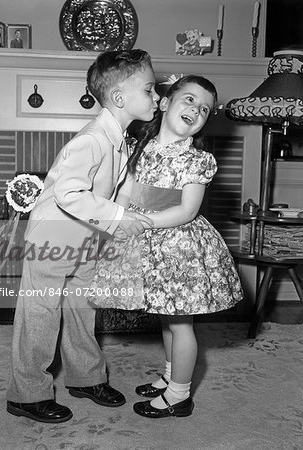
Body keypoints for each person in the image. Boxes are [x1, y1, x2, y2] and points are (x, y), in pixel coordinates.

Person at [6, 49, 159, 423]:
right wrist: (118, 216)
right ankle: (26, 394)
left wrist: (128, 214)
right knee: (40, 314)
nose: (157, 97)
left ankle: (85, 378)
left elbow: (115, 187)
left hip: (87, 239)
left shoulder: (119, 137)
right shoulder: (92, 139)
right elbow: (69, 193)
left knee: (82, 310)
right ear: (120, 99)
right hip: (52, 239)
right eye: (151, 89)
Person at [90, 75, 243, 418]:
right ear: (164, 103)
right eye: (189, 99)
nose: (196, 109)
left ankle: (179, 395)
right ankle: (173, 377)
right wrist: (118, 217)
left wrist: (144, 222)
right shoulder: (140, 149)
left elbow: (187, 210)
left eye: (204, 108)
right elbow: (127, 191)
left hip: (179, 248)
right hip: (147, 242)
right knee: (166, 317)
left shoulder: (195, 160)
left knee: (181, 323)